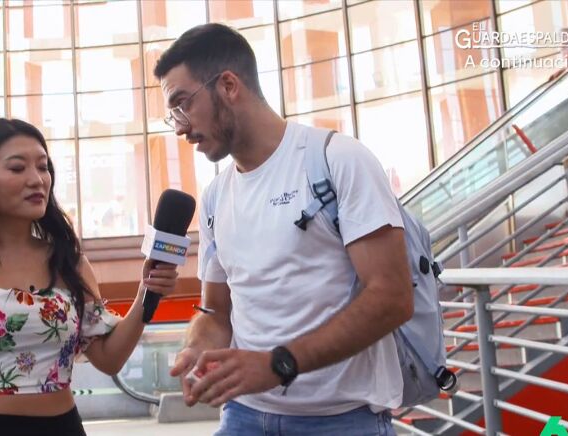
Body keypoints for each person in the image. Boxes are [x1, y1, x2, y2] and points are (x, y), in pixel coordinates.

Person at [155, 24, 413, 435]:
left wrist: (278, 364)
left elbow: (392, 297)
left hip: (341, 421)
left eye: (182, 105)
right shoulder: (216, 197)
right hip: (242, 416)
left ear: (228, 86)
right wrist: (197, 347)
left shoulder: (337, 160)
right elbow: (216, 311)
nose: (179, 128)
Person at [0, 118, 179, 436]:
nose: (37, 179)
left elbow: (109, 359)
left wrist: (147, 293)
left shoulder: (68, 261)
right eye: (17, 168)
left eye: (43, 167)